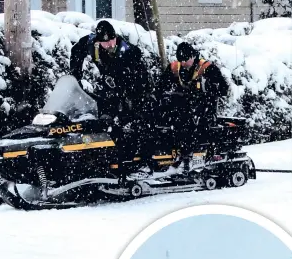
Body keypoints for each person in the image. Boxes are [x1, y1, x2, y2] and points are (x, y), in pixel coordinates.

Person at [69, 20, 154, 178]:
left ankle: (142, 163)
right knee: (101, 123)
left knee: (133, 124)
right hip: (109, 90)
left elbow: (140, 81)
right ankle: (102, 163)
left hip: (134, 91)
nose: (108, 45)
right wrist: (76, 76)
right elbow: (76, 51)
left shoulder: (129, 51)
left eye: (111, 41)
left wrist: (127, 97)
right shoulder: (92, 43)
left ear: (115, 37)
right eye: (104, 42)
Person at [158, 41, 229, 176]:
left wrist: (209, 89)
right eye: (181, 60)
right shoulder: (174, 68)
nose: (184, 63)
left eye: (186, 60)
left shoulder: (206, 68)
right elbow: (161, 86)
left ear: (193, 56)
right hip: (181, 106)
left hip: (203, 107)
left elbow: (223, 88)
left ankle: (193, 157)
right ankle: (169, 156)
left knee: (195, 123)